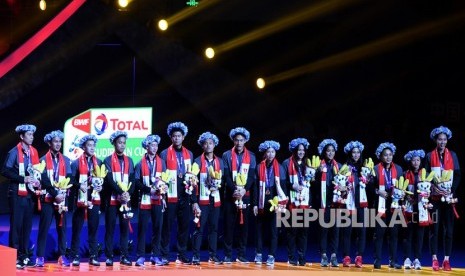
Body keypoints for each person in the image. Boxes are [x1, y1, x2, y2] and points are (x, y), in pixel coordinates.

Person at [1, 124, 42, 269]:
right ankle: (15, 257)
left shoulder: (34, 152)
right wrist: (22, 178)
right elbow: (5, 171)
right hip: (16, 194)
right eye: (29, 135)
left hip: (29, 195)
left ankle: (24, 256)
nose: (32, 137)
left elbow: (36, 171)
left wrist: (37, 181)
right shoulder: (14, 152)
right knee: (17, 226)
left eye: (32, 134)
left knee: (27, 226)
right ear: (22, 136)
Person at [425, 126, 460, 271]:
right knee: (434, 229)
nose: (442, 142)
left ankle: (446, 260)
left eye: (444, 140)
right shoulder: (429, 156)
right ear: (435, 140)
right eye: (440, 139)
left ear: (447, 140)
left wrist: (450, 191)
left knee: (449, 231)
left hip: (448, 198)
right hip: (434, 199)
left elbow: (457, 175)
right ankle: (434, 259)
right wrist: (434, 188)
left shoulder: (453, 155)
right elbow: (425, 176)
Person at [159, 122, 194, 265]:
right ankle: (164, 254)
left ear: (183, 137)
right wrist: (163, 196)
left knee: (184, 226)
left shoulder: (189, 154)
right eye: (174, 136)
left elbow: (191, 175)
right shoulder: (165, 153)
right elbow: (161, 176)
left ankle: (182, 253)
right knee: (167, 226)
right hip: (170, 195)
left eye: (179, 136)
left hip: (185, 195)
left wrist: (192, 197)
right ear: (171, 138)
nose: (176, 139)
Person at [35, 130, 72, 267]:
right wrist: (54, 193)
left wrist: (62, 193)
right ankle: (40, 256)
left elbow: (70, 177)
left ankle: (62, 255)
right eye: (55, 141)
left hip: (62, 199)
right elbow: (43, 180)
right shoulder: (42, 160)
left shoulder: (66, 160)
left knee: (62, 228)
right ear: (49, 143)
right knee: (44, 227)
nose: (58, 144)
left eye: (60, 141)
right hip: (48, 200)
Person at [222, 127, 256, 264]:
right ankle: (228, 255)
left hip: (245, 195)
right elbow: (226, 176)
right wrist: (234, 190)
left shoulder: (252, 156)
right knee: (229, 226)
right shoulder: (226, 155)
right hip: (230, 195)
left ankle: (241, 254)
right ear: (233, 141)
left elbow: (252, 177)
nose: (239, 143)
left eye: (241, 140)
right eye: (236, 140)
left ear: (245, 141)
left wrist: (243, 190)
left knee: (244, 226)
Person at [70, 134, 103, 267]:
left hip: (94, 199)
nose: (92, 147)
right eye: (89, 145)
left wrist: (101, 186)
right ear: (83, 147)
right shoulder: (76, 163)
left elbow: (102, 180)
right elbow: (71, 181)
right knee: (77, 228)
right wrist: (80, 186)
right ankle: (75, 256)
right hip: (80, 200)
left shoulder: (99, 162)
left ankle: (93, 256)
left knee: (93, 228)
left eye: (93, 145)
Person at [252, 140, 287, 266]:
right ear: (265, 153)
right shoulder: (258, 167)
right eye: (268, 152)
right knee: (259, 230)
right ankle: (259, 253)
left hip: (275, 202)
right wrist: (255, 204)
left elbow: (283, 187)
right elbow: (255, 187)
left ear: (275, 153)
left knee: (274, 230)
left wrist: (281, 205)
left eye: (273, 152)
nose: (271, 154)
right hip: (262, 201)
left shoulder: (281, 168)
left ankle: (271, 255)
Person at [191, 132, 224, 265]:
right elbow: (192, 183)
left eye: (210, 143)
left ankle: (213, 255)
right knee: (199, 228)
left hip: (215, 200)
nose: (208, 145)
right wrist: (194, 202)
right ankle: (196, 255)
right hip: (201, 201)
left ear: (214, 145)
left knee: (214, 228)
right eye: (205, 143)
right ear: (202, 146)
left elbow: (223, 182)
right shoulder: (197, 161)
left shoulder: (220, 162)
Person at [103, 131, 135, 266]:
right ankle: (109, 257)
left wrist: (128, 194)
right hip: (112, 200)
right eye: (119, 142)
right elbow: (109, 180)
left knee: (124, 228)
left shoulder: (130, 160)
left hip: (126, 201)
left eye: (123, 143)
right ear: (114, 144)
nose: (122, 145)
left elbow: (133, 180)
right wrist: (121, 192)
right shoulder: (107, 160)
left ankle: (124, 256)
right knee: (109, 229)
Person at [134, 134, 166, 266]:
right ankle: (141, 256)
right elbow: (136, 182)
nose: (154, 147)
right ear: (146, 147)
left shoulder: (161, 162)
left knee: (158, 228)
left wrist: (163, 187)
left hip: (158, 200)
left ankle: (155, 255)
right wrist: (149, 190)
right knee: (142, 228)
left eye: (156, 145)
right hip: (145, 200)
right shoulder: (139, 163)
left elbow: (166, 179)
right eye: (152, 145)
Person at [372, 142, 403, 269]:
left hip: (394, 205)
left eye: (390, 155)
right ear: (380, 156)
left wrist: (402, 195)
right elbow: (369, 188)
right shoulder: (375, 169)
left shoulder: (399, 169)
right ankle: (377, 260)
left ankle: (393, 260)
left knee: (394, 234)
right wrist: (377, 191)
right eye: (385, 155)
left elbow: (402, 187)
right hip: (380, 205)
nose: (388, 157)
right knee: (379, 234)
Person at [282, 138, 311, 266]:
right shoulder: (286, 163)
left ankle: (302, 256)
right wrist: (291, 186)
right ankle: (292, 256)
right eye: (298, 150)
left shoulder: (308, 164)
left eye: (303, 150)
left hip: (305, 202)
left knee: (303, 231)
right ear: (294, 150)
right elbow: (282, 183)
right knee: (292, 231)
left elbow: (312, 183)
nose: (301, 152)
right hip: (291, 202)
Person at [313, 138, 341, 267]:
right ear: (324, 152)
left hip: (336, 203)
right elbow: (313, 185)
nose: (330, 153)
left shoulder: (339, 166)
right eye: (328, 151)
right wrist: (317, 173)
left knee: (335, 231)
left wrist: (344, 187)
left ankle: (334, 255)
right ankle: (323, 255)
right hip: (323, 203)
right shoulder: (318, 166)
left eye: (332, 151)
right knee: (323, 230)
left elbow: (346, 185)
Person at [340, 141, 368, 268]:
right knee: (347, 231)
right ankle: (346, 256)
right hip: (348, 204)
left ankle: (359, 257)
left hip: (362, 204)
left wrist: (369, 180)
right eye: (354, 152)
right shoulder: (345, 167)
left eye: (358, 152)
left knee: (361, 231)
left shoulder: (365, 168)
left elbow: (372, 187)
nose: (356, 155)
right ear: (350, 154)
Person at [402, 149, 426, 270]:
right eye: (413, 160)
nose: (416, 162)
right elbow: (401, 190)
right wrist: (406, 196)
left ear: (420, 161)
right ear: (410, 161)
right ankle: (407, 258)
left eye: (418, 160)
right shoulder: (405, 174)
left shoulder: (425, 174)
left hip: (421, 208)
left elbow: (429, 190)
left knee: (419, 235)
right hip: (409, 208)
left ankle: (417, 259)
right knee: (408, 234)